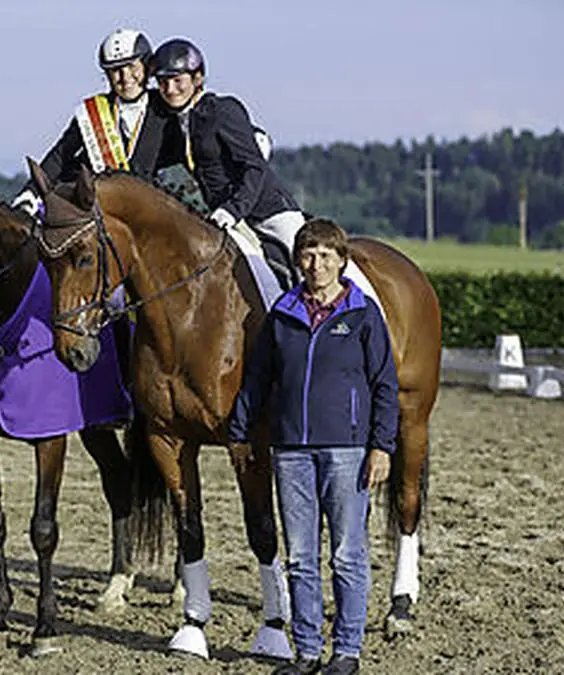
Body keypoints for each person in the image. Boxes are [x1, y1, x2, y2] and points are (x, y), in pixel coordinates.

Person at [228, 219, 399, 675]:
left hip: (348, 451)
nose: (316, 264)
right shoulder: (282, 315)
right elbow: (258, 378)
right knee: (300, 557)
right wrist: (239, 431)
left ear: (341, 261)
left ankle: (346, 651)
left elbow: (385, 384)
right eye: (308, 255)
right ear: (298, 260)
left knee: (347, 554)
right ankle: (306, 651)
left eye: (325, 255)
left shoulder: (364, 315)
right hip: (291, 452)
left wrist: (382, 446)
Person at [150, 38, 306, 263]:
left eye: (177, 80)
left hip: (269, 215)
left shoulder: (223, 110)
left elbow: (254, 166)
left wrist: (233, 209)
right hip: (225, 221)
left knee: (310, 270)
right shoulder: (178, 125)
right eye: (163, 82)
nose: (170, 89)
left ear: (198, 78)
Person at [12, 28, 179, 215]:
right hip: (102, 213)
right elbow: (60, 155)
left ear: (147, 67)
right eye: (116, 70)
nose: (125, 77)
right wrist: (31, 192)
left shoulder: (166, 109)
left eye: (132, 67)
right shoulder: (92, 112)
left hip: (152, 211)